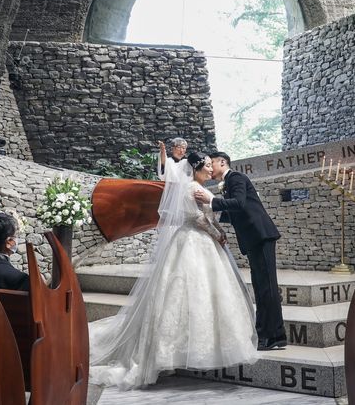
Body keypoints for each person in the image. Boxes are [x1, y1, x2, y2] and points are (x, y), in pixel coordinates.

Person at [89, 152, 258, 390]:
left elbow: (209, 215)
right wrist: (217, 234)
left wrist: (220, 232)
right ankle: (167, 352)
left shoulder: (202, 189)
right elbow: (197, 218)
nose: (211, 169)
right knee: (182, 292)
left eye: (211, 165)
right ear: (196, 169)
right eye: (207, 166)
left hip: (206, 242)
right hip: (191, 241)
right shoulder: (190, 189)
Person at [194, 151, 286, 351]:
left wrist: (211, 200)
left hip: (260, 235)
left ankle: (271, 336)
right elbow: (237, 209)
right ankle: (271, 334)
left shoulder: (236, 177)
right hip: (254, 237)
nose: (210, 167)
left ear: (222, 162)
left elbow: (239, 203)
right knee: (261, 286)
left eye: (212, 163)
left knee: (267, 287)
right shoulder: (228, 183)